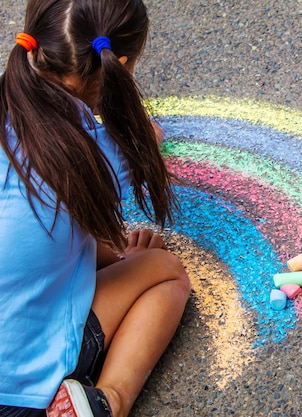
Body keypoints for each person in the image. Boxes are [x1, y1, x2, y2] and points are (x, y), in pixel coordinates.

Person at [0, 1, 190, 416]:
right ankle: (109, 402)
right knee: (164, 271)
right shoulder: (93, 157)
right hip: (16, 393)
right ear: (117, 65)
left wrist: (112, 253)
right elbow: (149, 138)